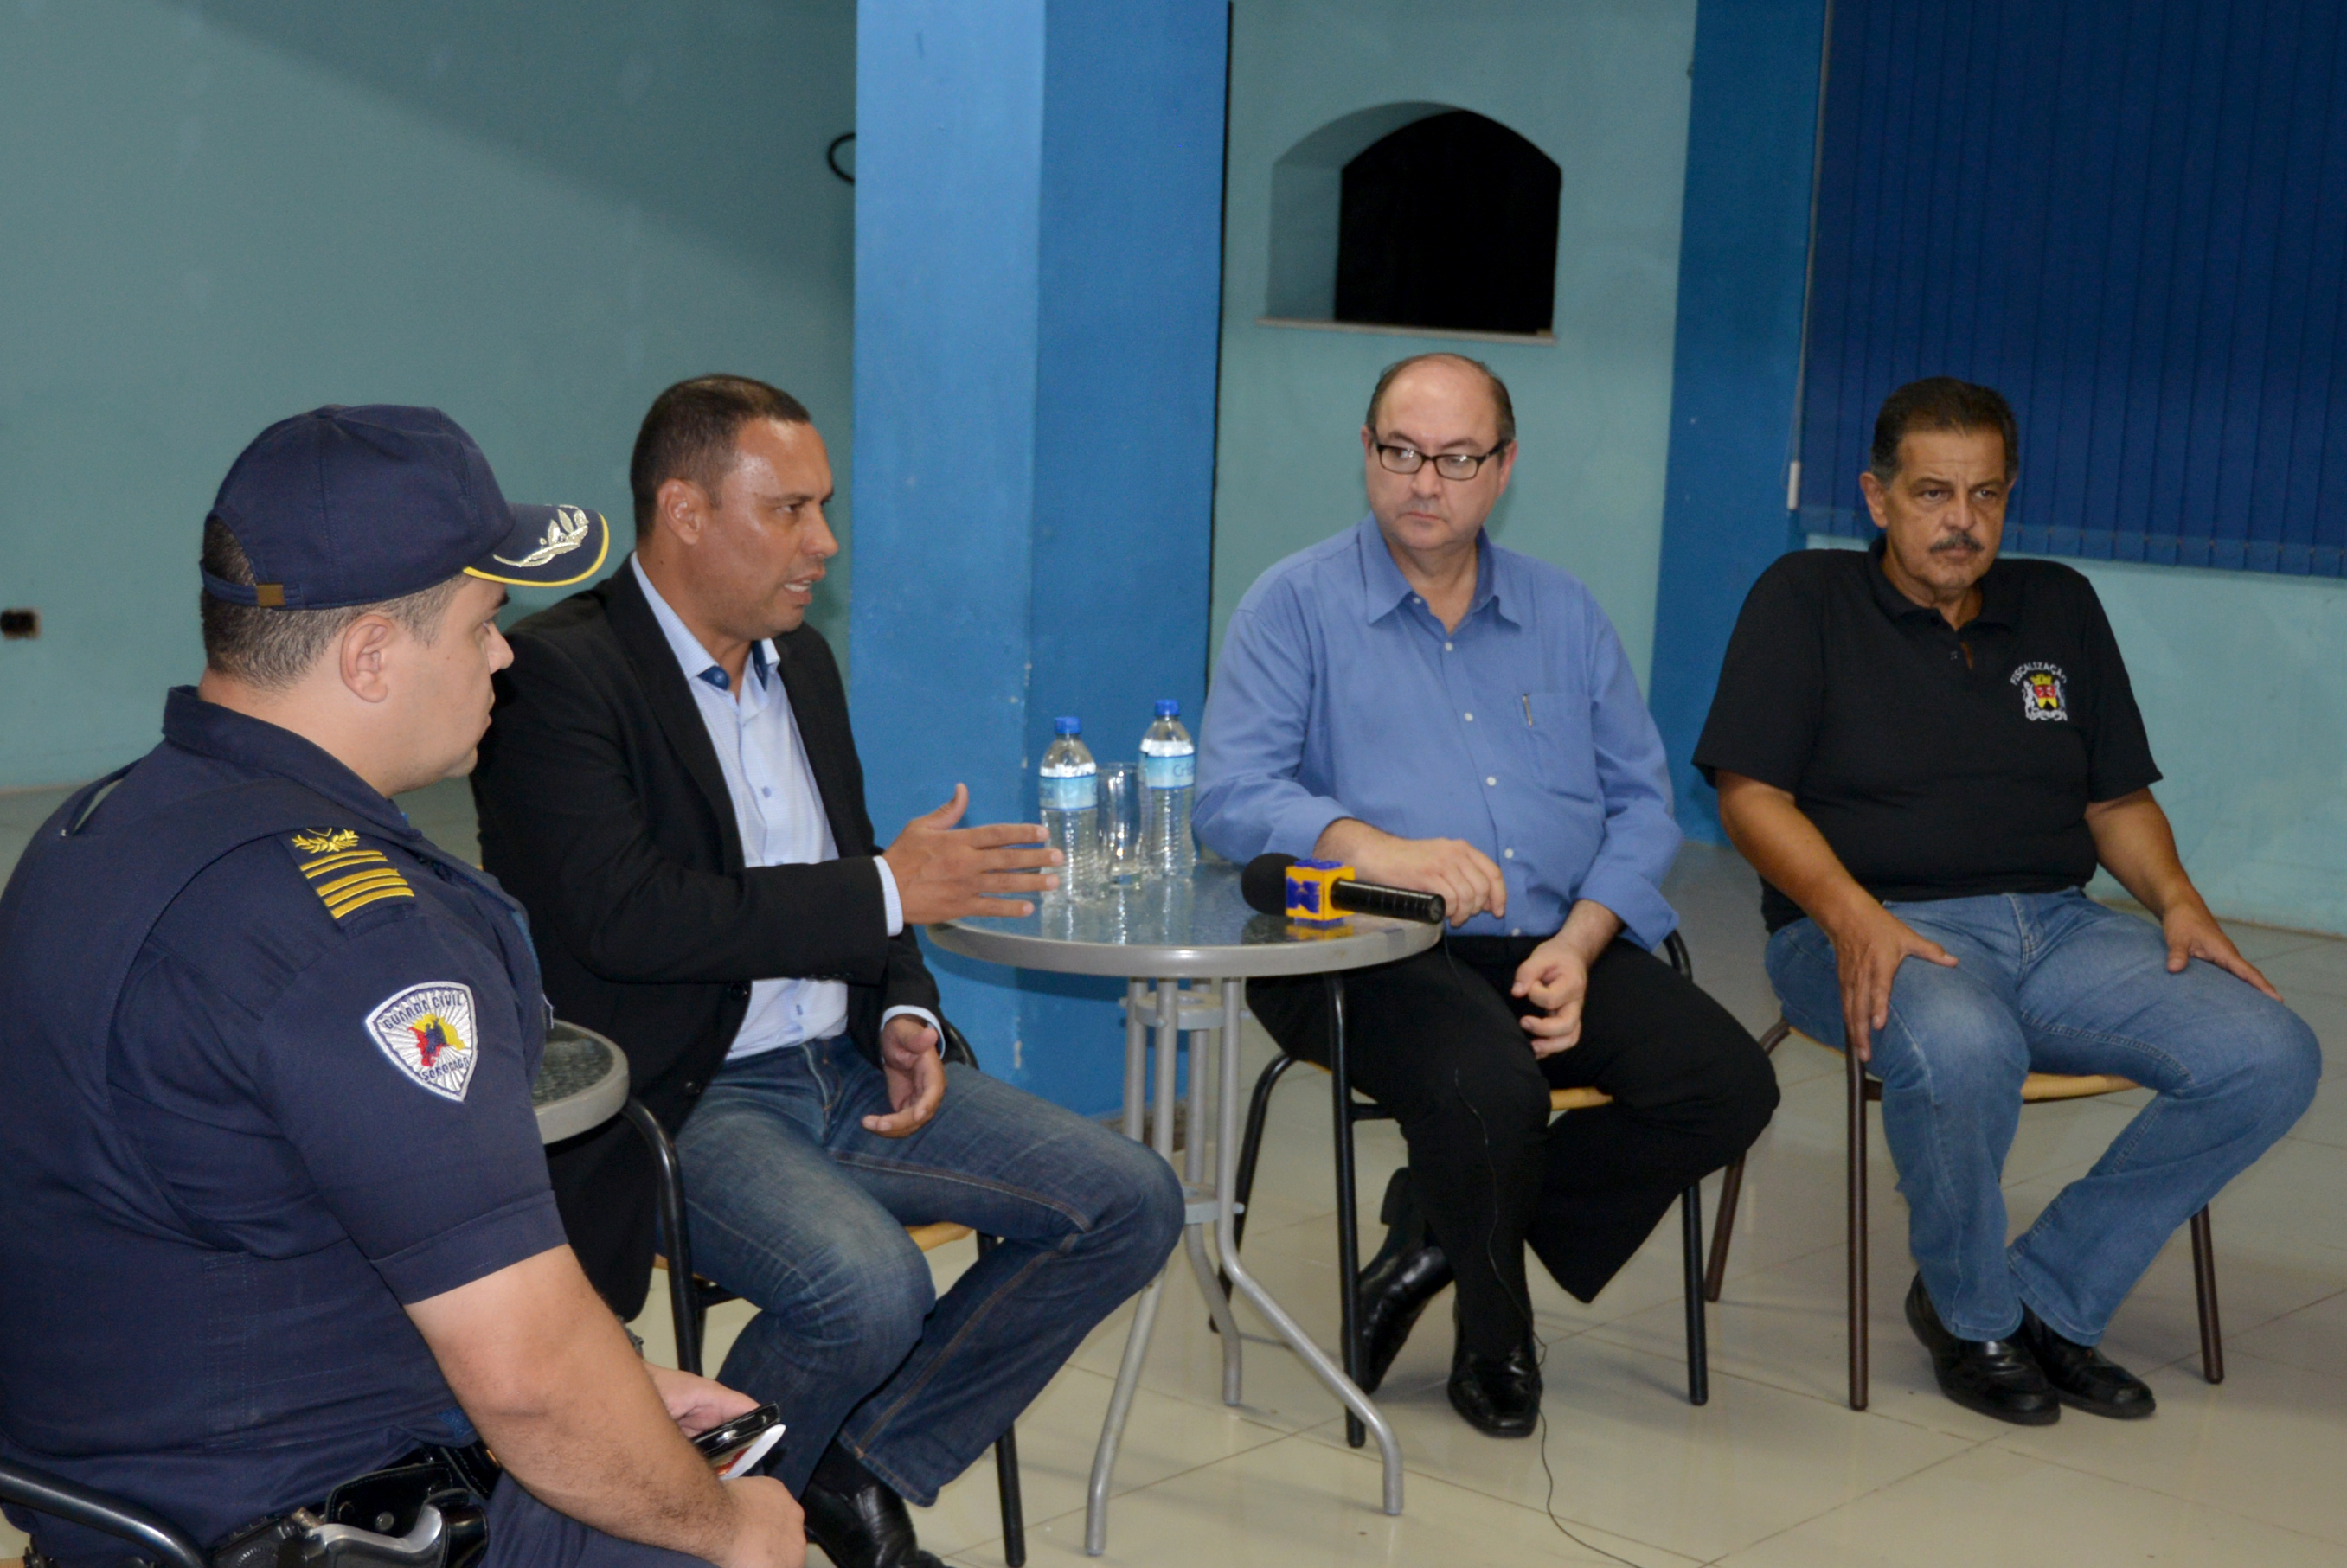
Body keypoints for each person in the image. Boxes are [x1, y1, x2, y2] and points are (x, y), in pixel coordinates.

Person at [0, 406, 805, 1568]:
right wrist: (727, 1528)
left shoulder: (98, 829)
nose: (504, 656)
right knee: (763, 1527)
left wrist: (614, 1394)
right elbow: (528, 1382)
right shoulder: (362, 941)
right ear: (372, 654)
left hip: (127, 1489)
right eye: (485, 622)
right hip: (314, 1513)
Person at [470, 374, 1184, 1568]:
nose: (824, 543)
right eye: (790, 509)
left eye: (825, 507)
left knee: (1130, 1198)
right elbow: (627, 918)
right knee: (865, 1287)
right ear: (684, 512)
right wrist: (893, 890)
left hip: (843, 1064)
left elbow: (851, 871)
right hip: (688, 1092)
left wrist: (902, 1005)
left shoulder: (798, 662)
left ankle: (849, 1469)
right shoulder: (557, 675)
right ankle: (683, 1524)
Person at [1695, 376, 2319, 1425]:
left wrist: (2178, 902)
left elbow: (2115, 799)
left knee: (2269, 1053)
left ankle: (2047, 1296)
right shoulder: (1805, 598)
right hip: (1854, 927)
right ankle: (1972, 1315)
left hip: (2058, 928)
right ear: (1876, 496)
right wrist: (1850, 913)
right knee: (1964, 1046)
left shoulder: (2057, 602)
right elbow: (1748, 796)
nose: (1962, 521)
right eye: (1932, 493)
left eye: (1985, 494)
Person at [1193, 353, 1778, 1437]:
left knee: (1728, 1084)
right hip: (1360, 951)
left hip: (1551, 942)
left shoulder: (1565, 612)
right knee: (1492, 1088)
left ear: (1503, 468)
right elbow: (1229, 800)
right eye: (1402, 452)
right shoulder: (1295, 603)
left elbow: (1643, 806)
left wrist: (1586, 940)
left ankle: (1431, 1232)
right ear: (1366, 453)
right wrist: (1380, 851)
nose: (1426, 481)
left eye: (1457, 458)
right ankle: (1495, 1334)